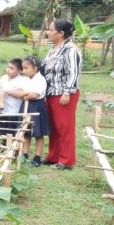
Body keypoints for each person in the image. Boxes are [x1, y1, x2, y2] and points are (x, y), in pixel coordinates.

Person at [41, 19, 82, 169]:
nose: (48, 32)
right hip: (51, 93)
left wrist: (67, 93)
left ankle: (66, 160)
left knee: (64, 127)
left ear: (61, 33)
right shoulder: (53, 49)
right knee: (54, 127)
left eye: (51, 30)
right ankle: (53, 156)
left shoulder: (70, 50)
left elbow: (73, 73)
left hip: (64, 94)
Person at [21, 55, 51, 166]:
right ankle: (24, 154)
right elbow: (20, 91)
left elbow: (33, 95)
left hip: (37, 106)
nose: (24, 71)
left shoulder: (40, 79)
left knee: (38, 133)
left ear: (35, 68)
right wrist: (24, 94)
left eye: (26, 68)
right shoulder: (26, 79)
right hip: (26, 106)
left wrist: (24, 94)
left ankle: (37, 157)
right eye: (23, 68)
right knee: (26, 132)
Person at [0, 58, 26, 139]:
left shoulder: (21, 81)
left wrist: (10, 92)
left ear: (19, 71)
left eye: (12, 68)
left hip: (14, 111)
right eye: (8, 67)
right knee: (2, 131)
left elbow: (21, 93)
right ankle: (2, 149)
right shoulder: (3, 78)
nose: (8, 70)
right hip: (3, 110)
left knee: (11, 132)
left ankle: (10, 150)